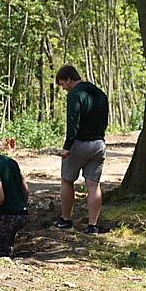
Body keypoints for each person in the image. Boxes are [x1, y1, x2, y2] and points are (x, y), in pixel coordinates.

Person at [54, 65, 108, 234]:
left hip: (79, 143)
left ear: (69, 79)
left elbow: (73, 122)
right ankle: (92, 225)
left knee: (67, 180)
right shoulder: (99, 93)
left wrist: (67, 147)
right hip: (99, 143)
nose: (63, 89)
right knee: (93, 185)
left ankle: (66, 220)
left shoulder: (75, 94)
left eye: (63, 84)